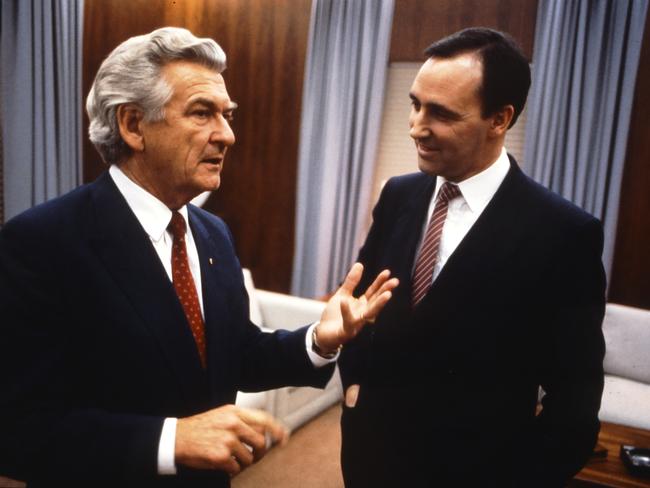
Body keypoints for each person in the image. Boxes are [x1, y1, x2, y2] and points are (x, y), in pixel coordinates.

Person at [0, 27, 398, 488]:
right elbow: (17, 428)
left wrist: (319, 340)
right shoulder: (41, 242)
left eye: (227, 115)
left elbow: (235, 353)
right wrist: (170, 440)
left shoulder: (212, 233)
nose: (227, 135)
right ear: (132, 125)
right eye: (202, 113)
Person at [338, 27, 606, 487]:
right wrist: (354, 393)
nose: (416, 126)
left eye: (440, 113)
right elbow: (362, 305)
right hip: (369, 460)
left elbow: (575, 404)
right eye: (416, 103)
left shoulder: (565, 234)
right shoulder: (398, 195)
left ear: (499, 119)